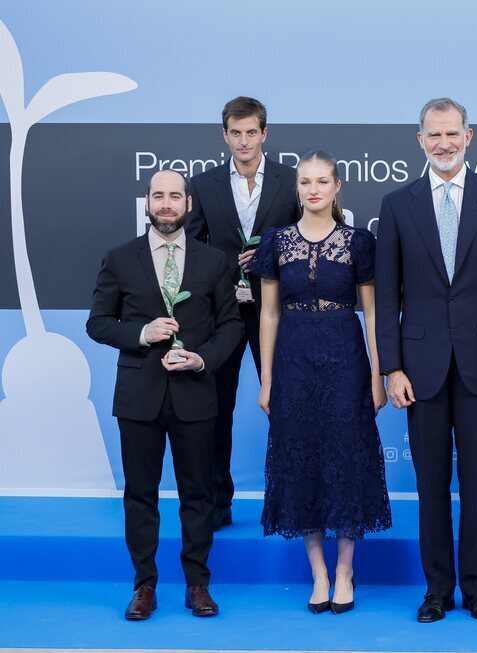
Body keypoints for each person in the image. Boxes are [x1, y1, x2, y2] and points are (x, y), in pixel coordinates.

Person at [375, 98, 477, 623]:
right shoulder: (397, 204)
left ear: (470, 136)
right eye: (433, 135)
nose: (443, 143)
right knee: (430, 485)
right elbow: (387, 295)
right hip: (420, 369)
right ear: (420, 140)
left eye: (452, 134)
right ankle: (437, 589)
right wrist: (391, 367)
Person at [87, 170, 243, 620]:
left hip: (195, 392)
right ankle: (144, 586)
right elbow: (97, 322)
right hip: (139, 395)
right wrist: (140, 332)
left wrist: (202, 359)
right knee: (141, 494)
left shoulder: (214, 262)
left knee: (199, 495)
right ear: (148, 203)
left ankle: (197, 584)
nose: (167, 204)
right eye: (159, 196)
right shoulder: (120, 259)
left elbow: (232, 325)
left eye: (175, 195)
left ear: (189, 205)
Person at [252, 151, 392, 615]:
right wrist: (267, 378)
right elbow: (268, 314)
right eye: (305, 182)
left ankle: (347, 571)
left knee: (347, 459)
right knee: (301, 461)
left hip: (346, 359)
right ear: (297, 188)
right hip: (293, 360)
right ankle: (319, 573)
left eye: (322, 181)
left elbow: (373, 313)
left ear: (337, 187)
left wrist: (377, 373)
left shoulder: (359, 242)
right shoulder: (277, 242)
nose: (313, 189)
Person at [185, 96, 301, 531]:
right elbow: (194, 251)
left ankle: (290, 498)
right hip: (222, 314)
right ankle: (218, 501)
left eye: (252, 132)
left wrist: (269, 262)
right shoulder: (203, 184)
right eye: (236, 133)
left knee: (287, 404)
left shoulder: (291, 182)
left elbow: (303, 243)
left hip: (278, 311)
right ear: (224, 135)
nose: (244, 140)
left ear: (264, 134)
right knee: (217, 408)